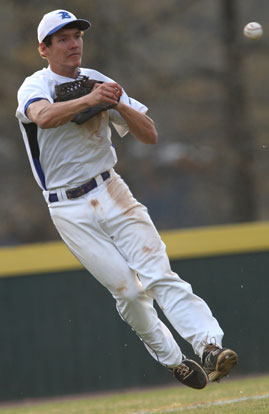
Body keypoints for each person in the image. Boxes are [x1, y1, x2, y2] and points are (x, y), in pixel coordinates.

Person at [16, 9, 238, 390]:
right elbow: (44, 116)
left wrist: (117, 103)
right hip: (67, 206)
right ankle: (172, 359)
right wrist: (88, 100)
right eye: (63, 38)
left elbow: (150, 135)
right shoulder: (35, 85)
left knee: (159, 273)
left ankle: (210, 346)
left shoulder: (100, 81)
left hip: (111, 188)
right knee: (129, 291)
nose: (74, 44)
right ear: (44, 48)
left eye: (77, 36)